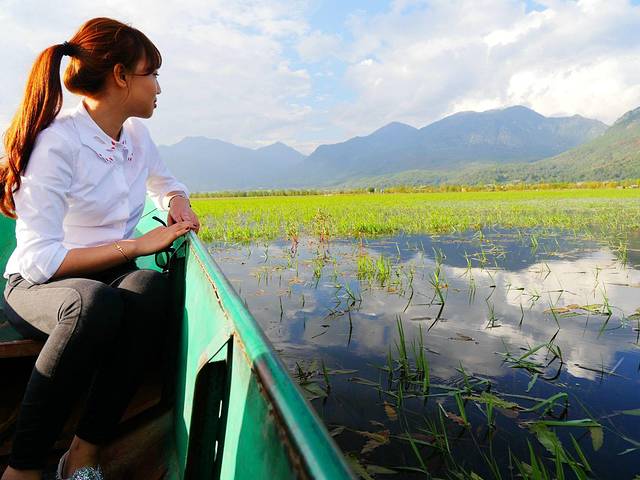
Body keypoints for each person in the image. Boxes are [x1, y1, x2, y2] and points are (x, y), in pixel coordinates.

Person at [0, 17, 200, 480]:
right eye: (152, 73)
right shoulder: (57, 143)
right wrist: (134, 246)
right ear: (120, 76)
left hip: (101, 278)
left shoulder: (136, 136)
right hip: (39, 284)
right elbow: (42, 259)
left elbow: (166, 183)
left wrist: (178, 203)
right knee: (93, 303)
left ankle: (83, 454)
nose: (158, 87)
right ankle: (22, 469)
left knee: (150, 289)